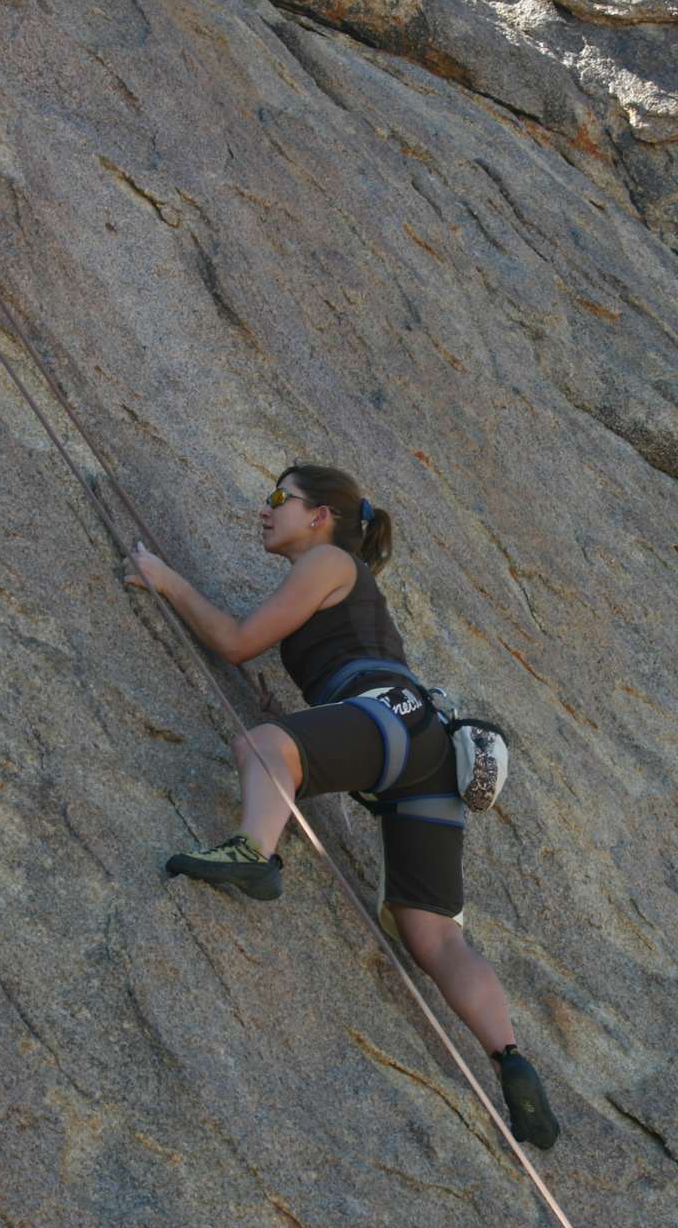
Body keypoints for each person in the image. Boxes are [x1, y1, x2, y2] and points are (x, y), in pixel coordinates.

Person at [124, 463, 559, 1150]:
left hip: (391, 714)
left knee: (264, 746)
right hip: (423, 749)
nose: (265, 509)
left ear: (320, 516)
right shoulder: (340, 578)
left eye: (280, 497)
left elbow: (237, 642)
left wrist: (165, 578)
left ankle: (254, 853)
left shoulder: (327, 563)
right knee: (434, 937)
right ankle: (510, 1057)